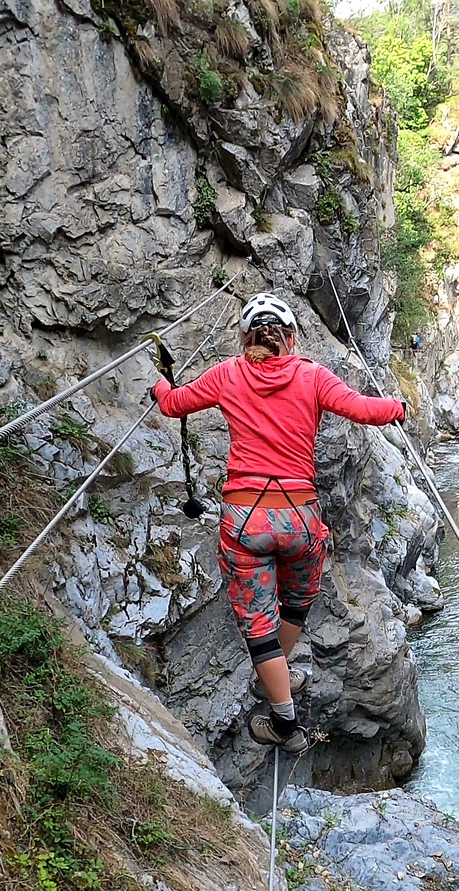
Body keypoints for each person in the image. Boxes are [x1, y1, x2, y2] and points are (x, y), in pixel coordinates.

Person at [151, 293, 406, 752]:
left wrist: (159, 389)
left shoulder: (229, 373)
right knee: (295, 603)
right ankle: (276, 682)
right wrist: (398, 409)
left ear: (246, 338)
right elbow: (363, 409)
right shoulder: (310, 376)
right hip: (301, 518)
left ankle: (284, 718)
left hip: (246, 518)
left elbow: (174, 405)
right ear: (291, 338)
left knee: (258, 625)